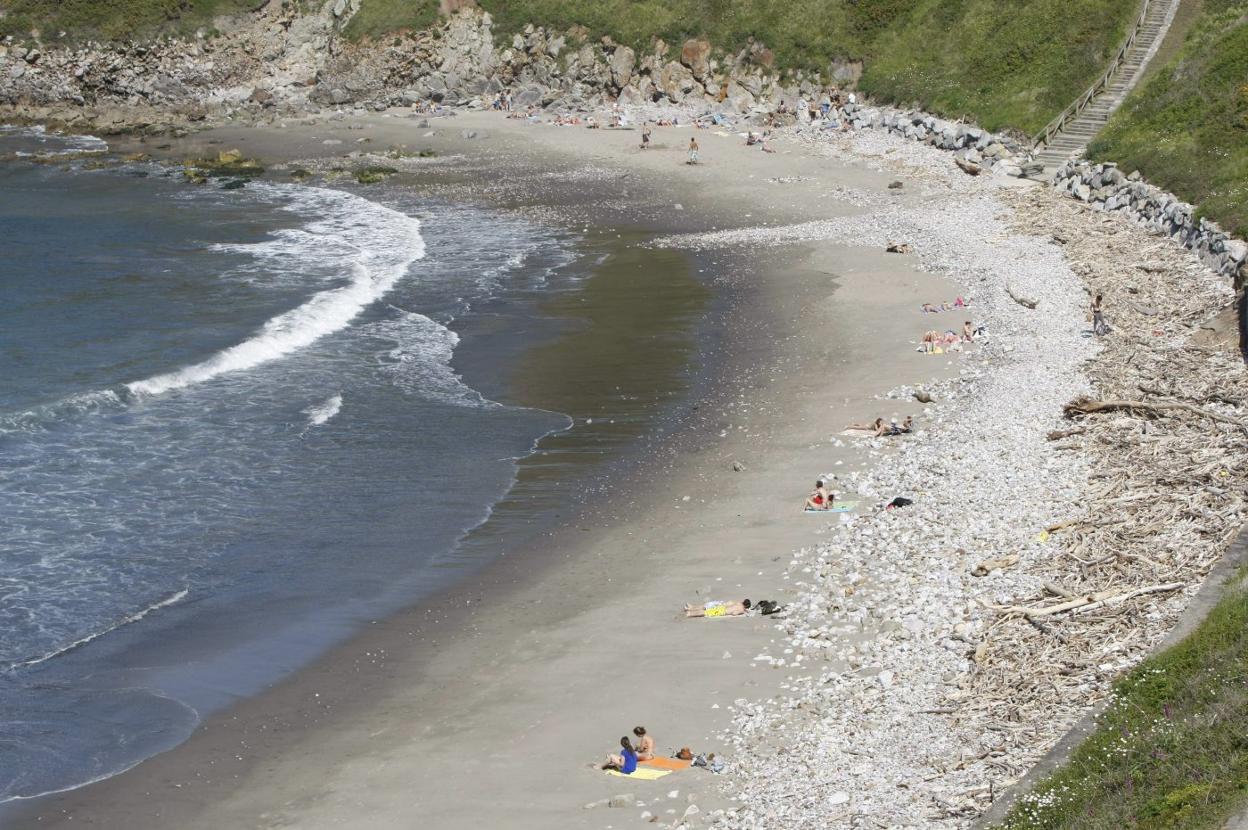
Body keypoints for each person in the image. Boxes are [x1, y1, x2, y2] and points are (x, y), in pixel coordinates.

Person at [684, 598, 751, 617]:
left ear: (743, 601)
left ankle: (691, 608)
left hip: (722, 606)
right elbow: (734, 613)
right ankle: (690, 613)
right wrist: (743, 612)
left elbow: (729, 603)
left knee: (705, 607)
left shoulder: (737, 602)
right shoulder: (741, 610)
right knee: (705, 612)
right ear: (746, 607)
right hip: (722, 611)